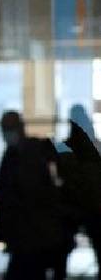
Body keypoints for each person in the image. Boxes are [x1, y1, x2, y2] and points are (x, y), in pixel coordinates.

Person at [0, 111, 74, 280]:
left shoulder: (34, 152)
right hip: (32, 235)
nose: (6, 134)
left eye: (8, 129)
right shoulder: (14, 156)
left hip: (38, 234)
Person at [56, 104, 101, 279]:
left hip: (72, 206)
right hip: (92, 206)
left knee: (61, 254)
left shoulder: (64, 148)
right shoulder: (95, 147)